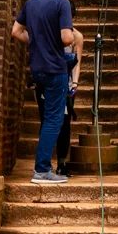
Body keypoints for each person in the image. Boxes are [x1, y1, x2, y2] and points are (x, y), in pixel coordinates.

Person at [11, 0, 79, 184]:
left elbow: (16, 31)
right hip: (55, 68)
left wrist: (37, 42)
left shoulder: (32, 2)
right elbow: (67, 38)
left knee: (47, 118)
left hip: (37, 69)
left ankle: (42, 167)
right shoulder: (62, 4)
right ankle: (42, 170)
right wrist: (63, 40)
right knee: (54, 119)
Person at [35, 22, 83, 178]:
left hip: (65, 83)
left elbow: (77, 62)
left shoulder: (76, 36)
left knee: (64, 123)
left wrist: (74, 83)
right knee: (47, 121)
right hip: (47, 80)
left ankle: (61, 163)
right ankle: (45, 164)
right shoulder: (47, 31)